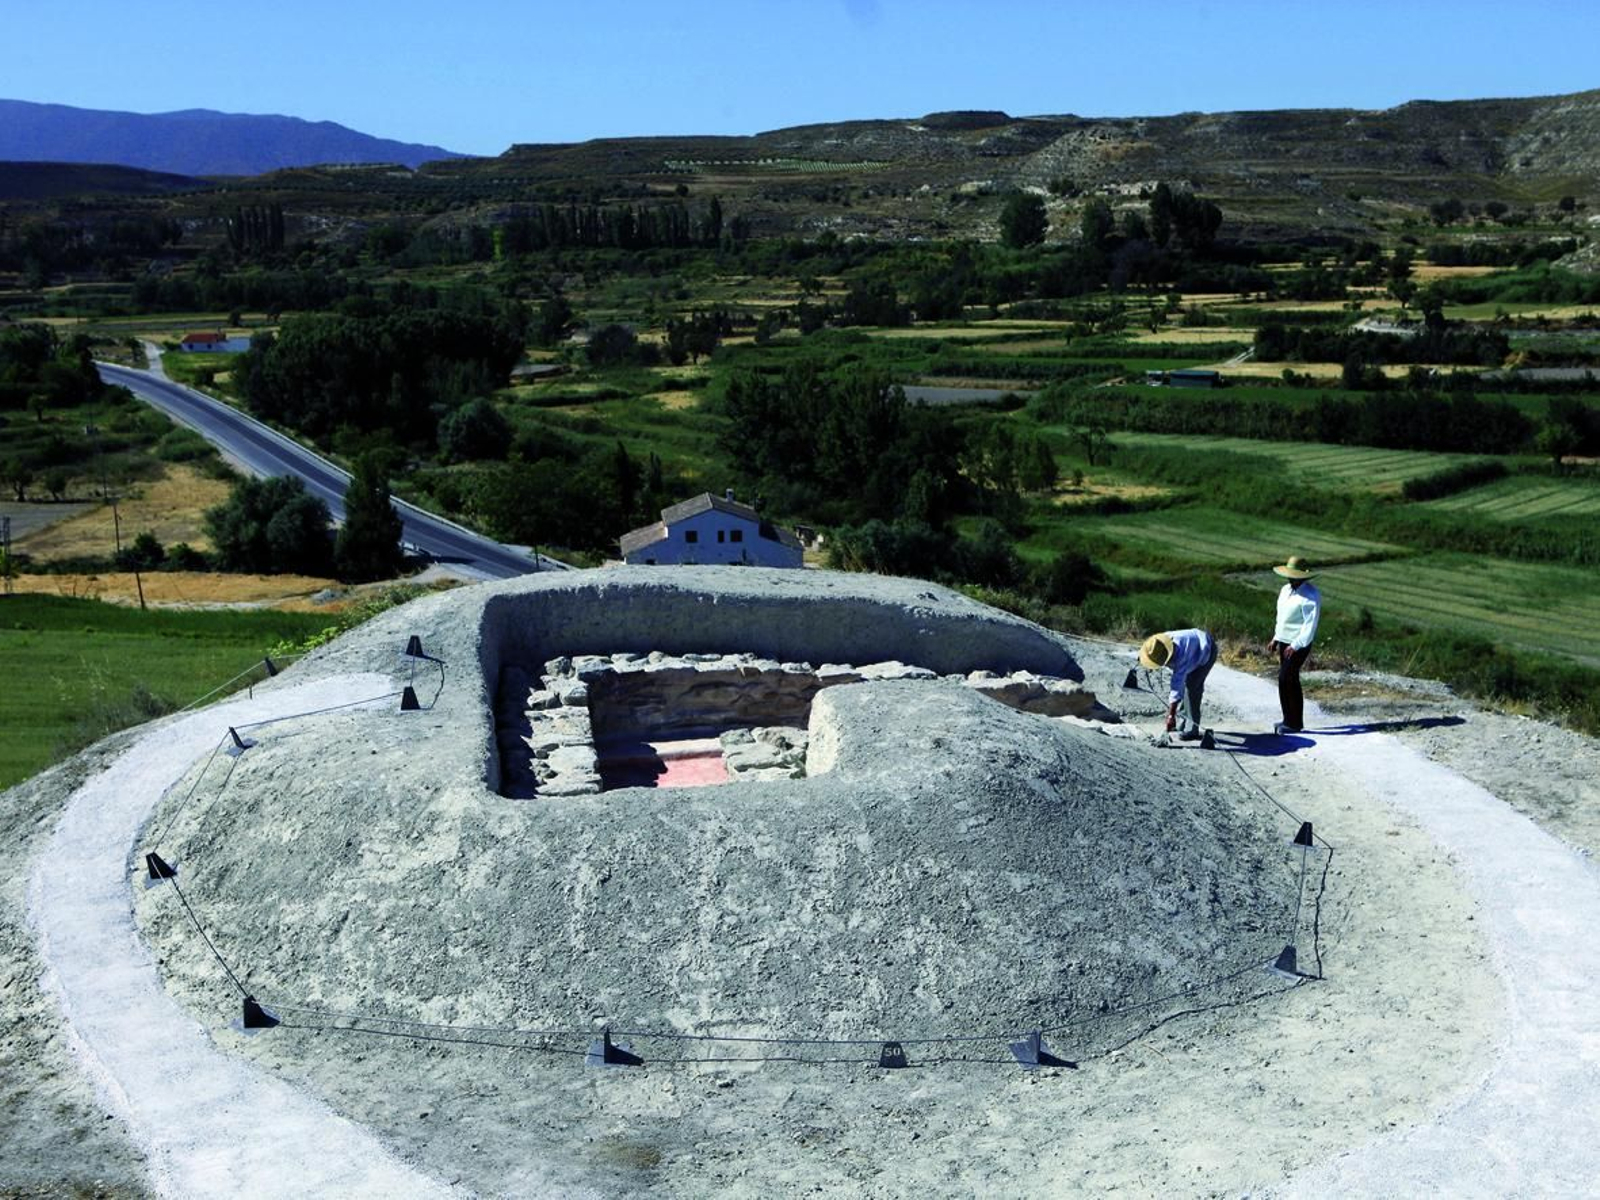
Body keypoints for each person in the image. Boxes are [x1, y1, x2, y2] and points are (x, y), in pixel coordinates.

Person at [1267, 555, 1321, 735]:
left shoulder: (1311, 595)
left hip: (1298, 643)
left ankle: (1294, 722)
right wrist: (1276, 638)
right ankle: (1288, 720)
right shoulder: (1285, 590)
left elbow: (1309, 625)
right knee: (1288, 680)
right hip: (1284, 641)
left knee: (1286, 677)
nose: (1291, 578)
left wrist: (1296, 645)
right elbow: (1281, 617)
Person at [1139, 628, 1218, 740]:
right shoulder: (1159, 643)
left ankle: (1192, 729)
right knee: (1187, 685)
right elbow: (1149, 652)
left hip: (1206, 651)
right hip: (1194, 646)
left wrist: (1171, 715)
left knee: (1192, 688)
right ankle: (1182, 721)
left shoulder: (1181, 656)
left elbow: (1176, 688)